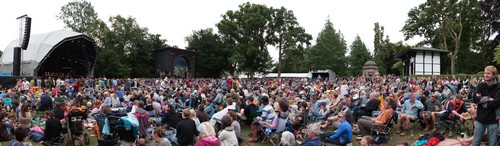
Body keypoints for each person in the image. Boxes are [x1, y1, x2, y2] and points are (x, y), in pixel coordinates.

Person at [472, 66, 500, 146]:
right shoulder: (480, 85)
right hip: (480, 120)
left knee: (492, 143)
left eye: (488, 73)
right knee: (475, 143)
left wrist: (481, 101)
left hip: (493, 121)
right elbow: (475, 99)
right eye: (485, 73)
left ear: (494, 75)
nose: (486, 75)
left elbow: (496, 103)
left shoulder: (498, 87)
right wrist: (488, 98)